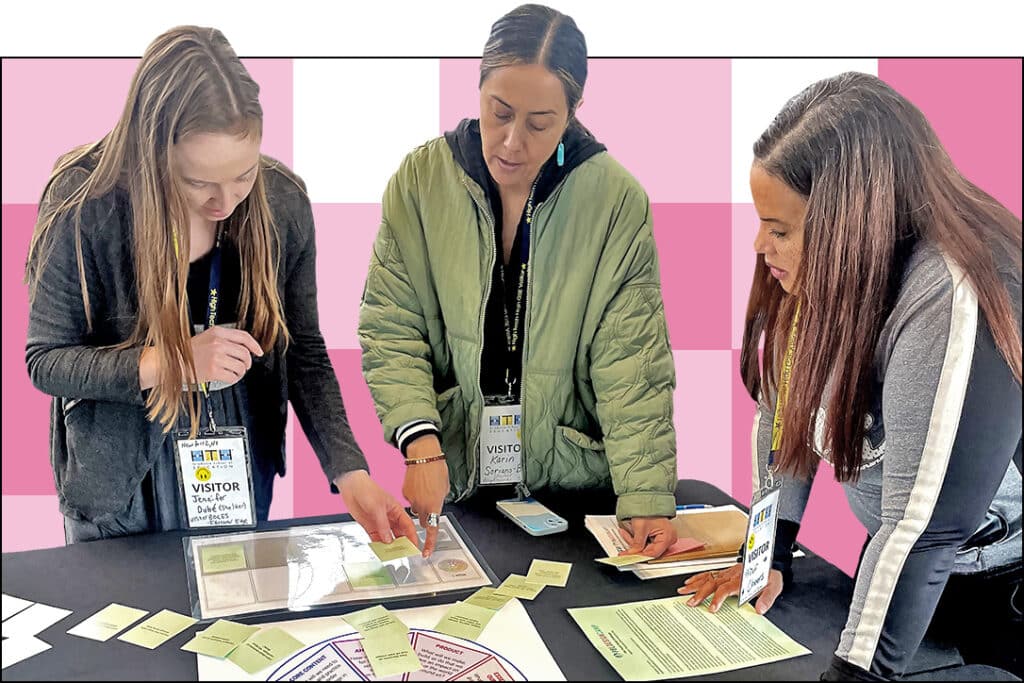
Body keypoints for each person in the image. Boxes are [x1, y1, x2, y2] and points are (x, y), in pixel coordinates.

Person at [678, 72, 1022, 680]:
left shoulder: (951, 289)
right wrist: (767, 557)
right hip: (900, 574)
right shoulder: (820, 279)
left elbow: (923, 528)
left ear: (851, 227)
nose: (760, 245)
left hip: (1003, 598)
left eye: (781, 229)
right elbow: (784, 418)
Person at [25, 25, 417, 548]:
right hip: (118, 485)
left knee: (233, 628)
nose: (224, 202)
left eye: (243, 174)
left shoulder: (283, 203)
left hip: (238, 465)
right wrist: (171, 363)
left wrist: (351, 472)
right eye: (197, 182)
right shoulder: (82, 202)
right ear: (152, 151)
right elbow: (46, 360)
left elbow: (302, 351)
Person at [359, 4, 678, 557]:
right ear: (478, 86)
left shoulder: (615, 200)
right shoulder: (420, 182)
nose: (512, 143)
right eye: (499, 112)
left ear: (573, 112)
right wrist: (420, 443)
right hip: (456, 482)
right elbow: (392, 327)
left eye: (539, 124)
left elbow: (633, 363)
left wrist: (646, 497)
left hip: (574, 495)